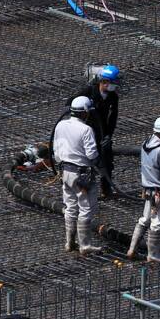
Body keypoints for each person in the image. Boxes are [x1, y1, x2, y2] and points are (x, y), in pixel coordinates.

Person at [52, 96, 103, 253]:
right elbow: (92, 155)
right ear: (85, 113)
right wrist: (102, 150)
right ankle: (85, 245)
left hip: (64, 172)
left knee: (70, 207)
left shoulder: (60, 125)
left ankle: (69, 243)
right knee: (85, 208)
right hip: (81, 176)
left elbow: (56, 148)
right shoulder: (86, 130)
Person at [128, 116, 160, 262]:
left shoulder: (145, 143)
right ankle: (153, 254)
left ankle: (132, 249)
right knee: (158, 222)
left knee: (145, 219)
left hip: (148, 190)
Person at [75, 63, 120, 198]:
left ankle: (106, 189)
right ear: (104, 82)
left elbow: (112, 118)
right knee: (85, 161)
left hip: (102, 133)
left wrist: (108, 136)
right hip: (86, 132)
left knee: (107, 162)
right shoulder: (88, 92)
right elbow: (70, 104)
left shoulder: (113, 97)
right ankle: (82, 189)